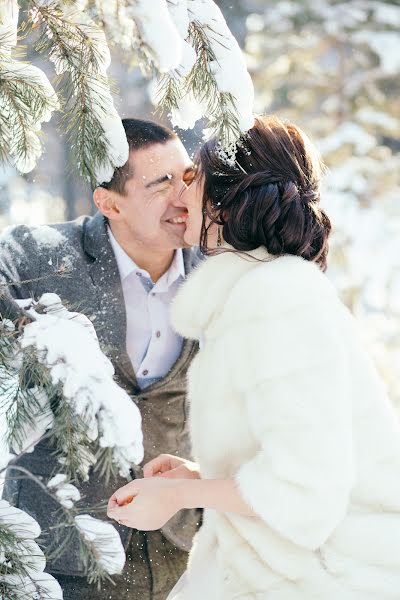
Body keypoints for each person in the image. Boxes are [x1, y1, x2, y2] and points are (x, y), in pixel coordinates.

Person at [108, 115, 400, 599]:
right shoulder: (252, 297)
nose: (178, 196)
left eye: (190, 178)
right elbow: (301, 459)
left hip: (330, 575)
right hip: (276, 564)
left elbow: (306, 493)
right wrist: (201, 474)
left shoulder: (278, 302)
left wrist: (178, 496)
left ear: (227, 198)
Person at [0, 118, 202, 600]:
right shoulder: (41, 257)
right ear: (110, 204)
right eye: (161, 184)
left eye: (188, 178)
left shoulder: (218, 270)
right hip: (63, 551)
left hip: (183, 552)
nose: (183, 197)